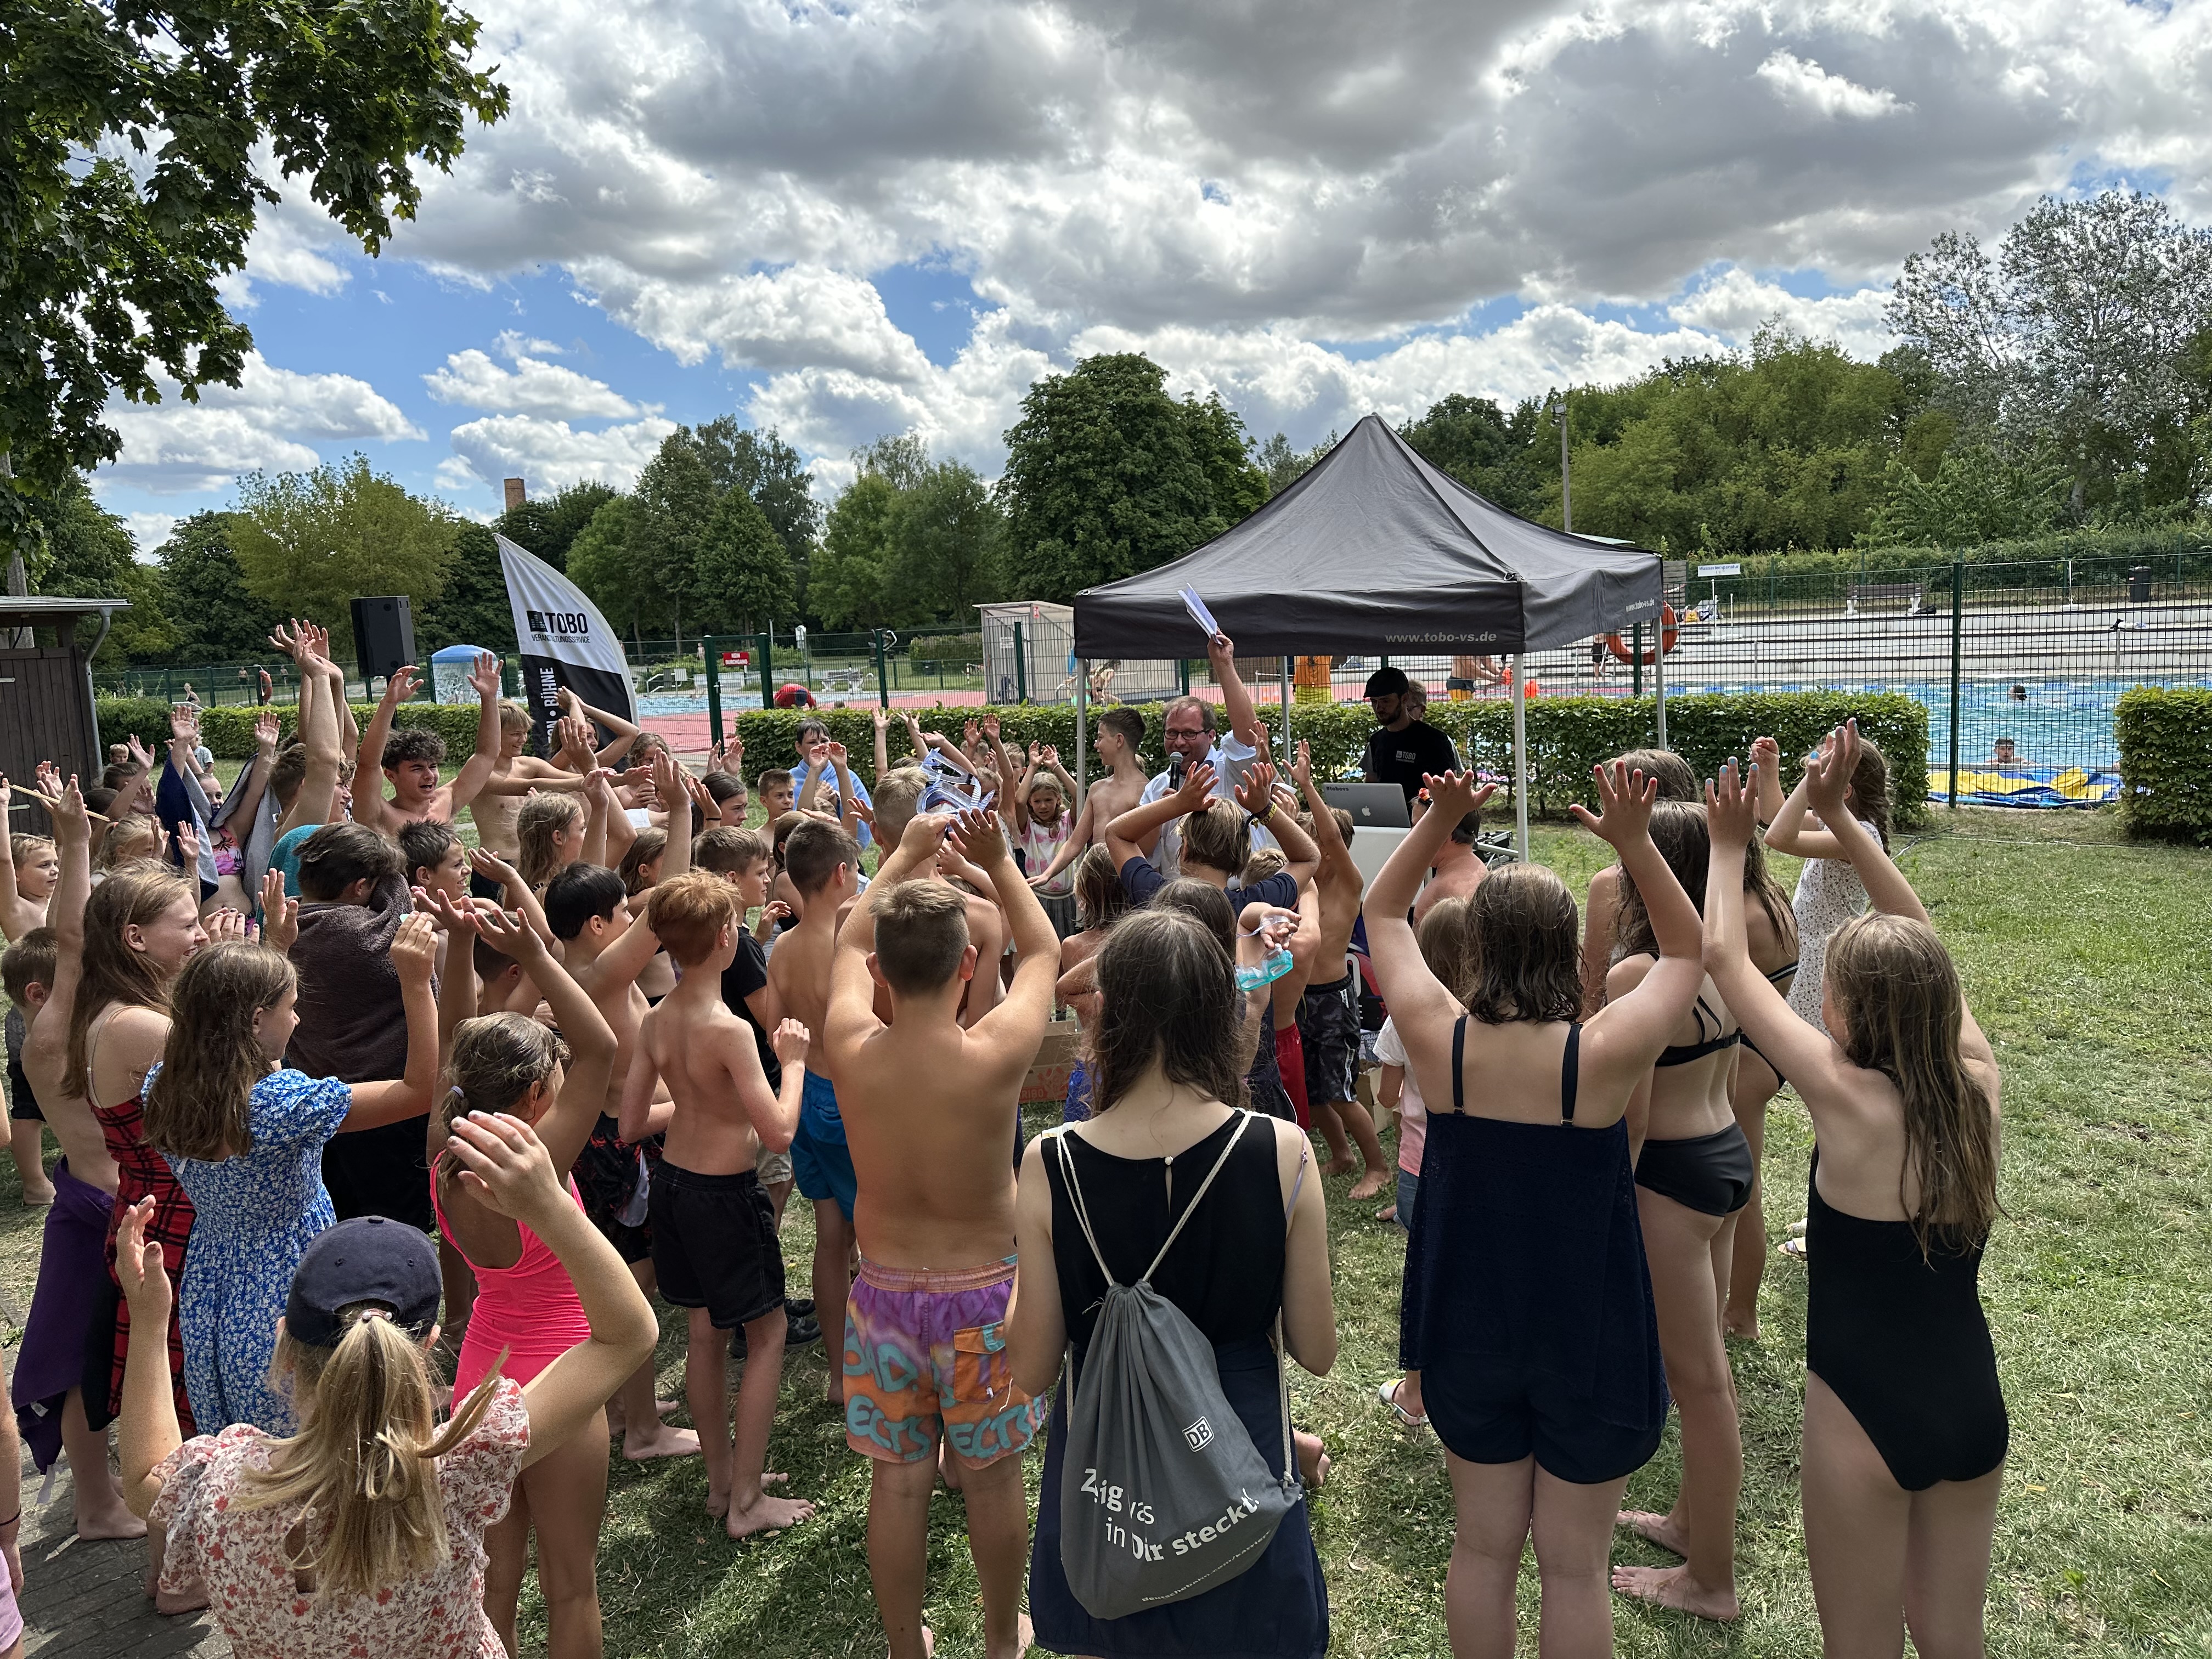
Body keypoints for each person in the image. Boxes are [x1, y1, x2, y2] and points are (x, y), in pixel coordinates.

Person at [1369, 761, 1702, 1658]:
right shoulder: (1600, 1057)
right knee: (1575, 1568)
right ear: (1569, 949)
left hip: (1467, 1333)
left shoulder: (1440, 1046)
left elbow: (1382, 914)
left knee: (1482, 1548)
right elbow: (1686, 954)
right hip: (1590, 1338)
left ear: (1475, 947)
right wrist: (1636, 847)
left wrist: (1438, 820)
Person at [115, 1109, 658, 1656]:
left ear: (285, 1345)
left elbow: (142, 1480)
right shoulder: (456, 1472)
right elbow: (628, 1336)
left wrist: (149, 1320)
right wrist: (550, 1207)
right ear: (425, 1347)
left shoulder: (222, 1487)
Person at [1703, 731, 2006, 1656]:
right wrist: (1838, 813)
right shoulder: (1978, 1083)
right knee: (1953, 1636)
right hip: (1970, 1402)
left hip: (1859, 1414)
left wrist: (1724, 848)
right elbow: (1921, 936)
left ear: (1845, 1010)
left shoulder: (1843, 1096)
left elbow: (1724, 963)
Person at [1009, 906, 1338, 1659]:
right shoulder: (1281, 1149)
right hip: (1239, 1471)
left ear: (1106, 1014)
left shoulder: (1051, 1162)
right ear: (1220, 1014)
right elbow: (1317, 1350)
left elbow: (1029, 1367)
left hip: (1109, 1487)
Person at [825, 807, 1058, 1659]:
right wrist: (1000, 863)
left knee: (898, 1484)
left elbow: (849, 942)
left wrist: (903, 853)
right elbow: (1043, 951)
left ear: (880, 972)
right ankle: (1000, 1641)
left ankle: (904, 1649)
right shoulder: (993, 1054)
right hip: (984, 1302)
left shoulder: (850, 1045)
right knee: (992, 1482)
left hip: (883, 1296)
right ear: (967, 964)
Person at [427, 904, 657, 1654]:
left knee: (492, 1583)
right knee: (571, 1585)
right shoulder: (537, 1164)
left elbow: (456, 1045)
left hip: (479, 1375)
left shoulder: (446, 1151)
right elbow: (601, 1045)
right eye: (555, 1080)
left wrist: (462, 944)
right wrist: (534, 952)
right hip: (562, 1377)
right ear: (533, 1097)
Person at [1602, 803, 1793, 1621]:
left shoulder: (1641, 975)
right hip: (1725, 1159)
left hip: (1672, 1177)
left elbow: (1634, 1119)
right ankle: (1688, 1523)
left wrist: (1607, 1207)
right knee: (1707, 1367)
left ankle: (1712, 1580)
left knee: (1701, 1384)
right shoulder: (1725, 954)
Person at [142, 922, 442, 1435]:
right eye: (292, 1007)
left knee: (243, 1430)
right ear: (257, 1020)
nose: (298, 1017)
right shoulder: (282, 1107)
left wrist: (269, 953)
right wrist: (415, 982)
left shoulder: (164, 1083)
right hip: (289, 1277)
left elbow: (259, 1058)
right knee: (305, 1424)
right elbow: (419, 1090)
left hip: (214, 1280)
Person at [621, 873, 816, 1540]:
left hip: (674, 1187)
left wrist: (696, 1104)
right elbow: (779, 1132)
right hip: (724, 1197)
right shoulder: (730, 1030)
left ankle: (722, 1483)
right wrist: (792, 1063)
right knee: (767, 1335)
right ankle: (746, 1503)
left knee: (704, 1335)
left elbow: (630, 1123)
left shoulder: (657, 1018)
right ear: (729, 937)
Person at [287, 823, 437, 1232]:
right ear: (361, 887)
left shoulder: (288, 925)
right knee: (395, 1221)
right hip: (386, 1103)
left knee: (340, 1212)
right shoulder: (357, 935)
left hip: (321, 1096)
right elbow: (403, 914)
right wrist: (392, 874)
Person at [766, 818, 865, 1404]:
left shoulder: (782, 946)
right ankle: (881, 1368)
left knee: (831, 1235)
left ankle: (839, 1375)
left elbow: (775, 1030)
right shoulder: (849, 947)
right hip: (846, 1100)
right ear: (842, 874)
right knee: (873, 1239)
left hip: (803, 1095)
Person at [1373, 895, 1474, 1425]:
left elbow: (1387, 1097)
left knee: (1426, 1277)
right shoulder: (1486, 1018)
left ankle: (1415, 1392)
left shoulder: (1404, 1020)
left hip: (1418, 1166)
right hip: (1473, 1167)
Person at [1291, 744, 1392, 1199]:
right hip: (1301, 1000)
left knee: (1341, 1091)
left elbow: (1330, 837)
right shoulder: (1304, 884)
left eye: (1312, 840)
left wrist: (1308, 786)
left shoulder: (1350, 883)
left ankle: (1378, 1167)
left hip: (1334, 998)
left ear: (1332, 849)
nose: (1304, 847)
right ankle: (1342, 1155)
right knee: (1313, 1091)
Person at [1757, 731, 1893, 1036]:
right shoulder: (1838, 825)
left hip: (1822, 957)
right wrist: (1769, 771)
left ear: (1845, 792)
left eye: (1819, 776)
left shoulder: (1859, 835)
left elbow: (1778, 838)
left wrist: (1813, 775)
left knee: (1809, 1038)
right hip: (1808, 947)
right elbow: (1775, 817)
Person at [1133, 631, 1268, 878]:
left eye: (1189, 733)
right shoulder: (1157, 788)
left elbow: (1248, 737)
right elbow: (1142, 852)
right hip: (1182, 896)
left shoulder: (1229, 769)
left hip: (1236, 893)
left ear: (1211, 735)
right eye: (1172, 733)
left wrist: (1224, 664)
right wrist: (1165, 810)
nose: (1179, 742)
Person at [1578, 750, 1701, 1018]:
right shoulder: (1718, 872)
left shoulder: (1613, 884)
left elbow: (1591, 983)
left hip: (1633, 1022)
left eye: (1614, 800)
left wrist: (1578, 1033)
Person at [348, 657, 506, 840]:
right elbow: (368, 765)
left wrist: (489, 698)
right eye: (417, 768)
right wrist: (389, 704)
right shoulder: (380, 815)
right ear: (391, 775)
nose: (429, 775)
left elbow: (487, 755)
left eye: (433, 766)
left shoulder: (446, 802)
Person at [467, 703, 598, 896]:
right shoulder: (478, 771)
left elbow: (577, 777)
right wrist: (592, 779)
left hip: (532, 865)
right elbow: (531, 785)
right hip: (496, 865)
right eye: (516, 734)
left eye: (525, 733)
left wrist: (620, 779)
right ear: (494, 733)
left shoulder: (530, 765)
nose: (523, 739)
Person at [1024, 706, 1150, 895]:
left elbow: (1147, 852)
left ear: (1119, 740)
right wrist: (1047, 874)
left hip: (1127, 888)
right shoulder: (1097, 789)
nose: (1096, 745)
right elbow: (1075, 843)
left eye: (1100, 738)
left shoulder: (1145, 791)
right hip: (1098, 886)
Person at [1053, 845, 1127, 1121]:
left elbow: (1068, 1000)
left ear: (1084, 892)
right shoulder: (1145, 939)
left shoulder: (1073, 946)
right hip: (1136, 1058)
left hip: (1094, 1059)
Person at [1360, 668, 1462, 809]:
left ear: (1404, 699)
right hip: (1387, 819)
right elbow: (1370, 789)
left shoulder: (1435, 740)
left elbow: (1451, 791)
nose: (1378, 708)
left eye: (1385, 701)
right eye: (1374, 701)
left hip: (1426, 820)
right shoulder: (1376, 741)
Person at [1415, 805, 1488, 922]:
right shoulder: (1472, 866)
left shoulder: (1455, 890)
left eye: (1417, 827)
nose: (1411, 835)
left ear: (1445, 833)